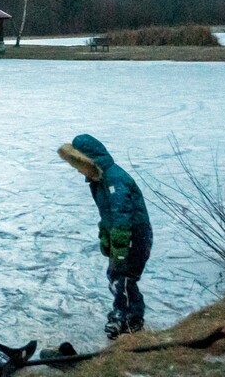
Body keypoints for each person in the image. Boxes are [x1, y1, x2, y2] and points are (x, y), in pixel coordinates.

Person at [58, 134, 153, 339]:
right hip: (123, 234)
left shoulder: (115, 180)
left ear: (90, 161)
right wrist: (105, 234)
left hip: (134, 235)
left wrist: (120, 246)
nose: (77, 170)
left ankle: (131, 318)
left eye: (78, 164)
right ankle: (123, 313)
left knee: (124, 277)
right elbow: (108, 214)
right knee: (116, 276)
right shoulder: (100, 180)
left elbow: (121, 215)